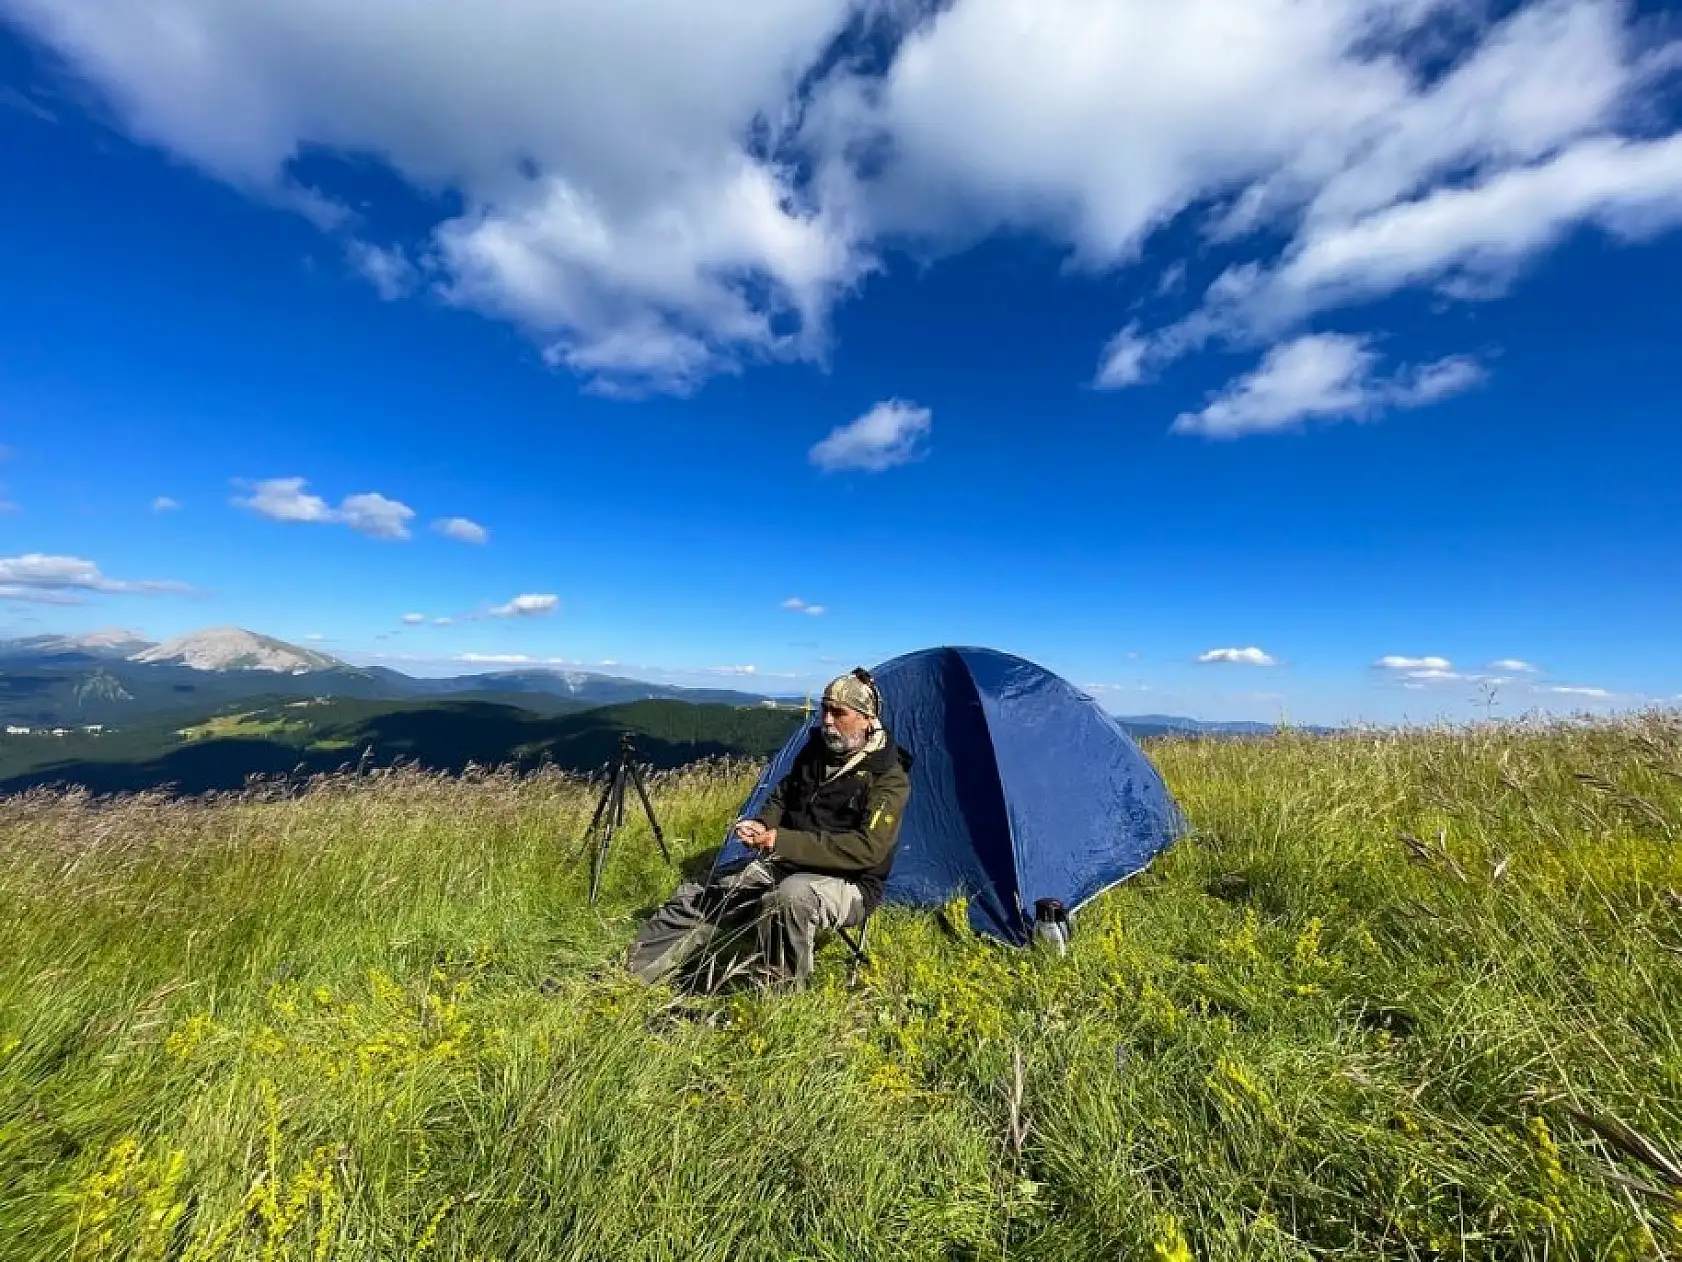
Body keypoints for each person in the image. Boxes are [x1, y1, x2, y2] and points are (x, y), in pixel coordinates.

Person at [626, 668, 912, 990]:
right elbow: (784, 793)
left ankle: (777, 1001)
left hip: (851, 882)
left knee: (791, 897)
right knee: (705, 893)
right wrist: (763, 823)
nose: (827, 721)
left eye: (839, 713)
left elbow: (867, 849)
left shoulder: (888, 777)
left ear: (866, 719)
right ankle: (632, 974)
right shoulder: (817, 750)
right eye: (825, 710)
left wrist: (781, 841)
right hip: (786, 862)